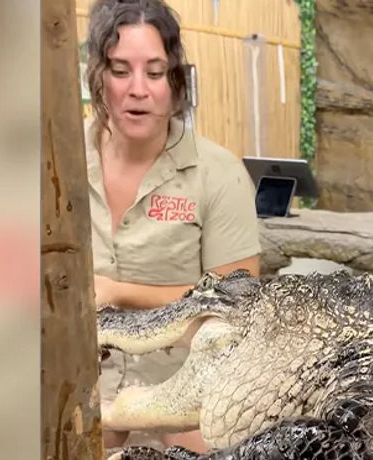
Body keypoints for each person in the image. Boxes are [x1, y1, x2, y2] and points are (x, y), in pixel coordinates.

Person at [83, 0, 262, 452]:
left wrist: (117, 292)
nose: (137, 89)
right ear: (97, 78)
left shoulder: (219, 174)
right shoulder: (53, 163)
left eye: (155, 72)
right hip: (79, 374)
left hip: (185, 382)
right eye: (120, 71)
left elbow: (241, 301)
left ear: (176, 80)